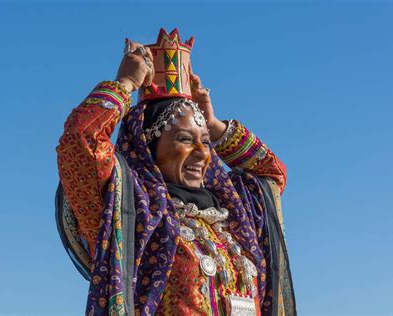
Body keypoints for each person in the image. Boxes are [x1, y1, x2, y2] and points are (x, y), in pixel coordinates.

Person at [55, 28, 296, 316]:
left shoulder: (233, 212)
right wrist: (126, 83)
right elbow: (80, 141)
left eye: (206, 142)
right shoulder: (129, 210)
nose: (203, 153)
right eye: (185, 139)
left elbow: (271, 175)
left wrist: (214, 124)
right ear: (148, 145)